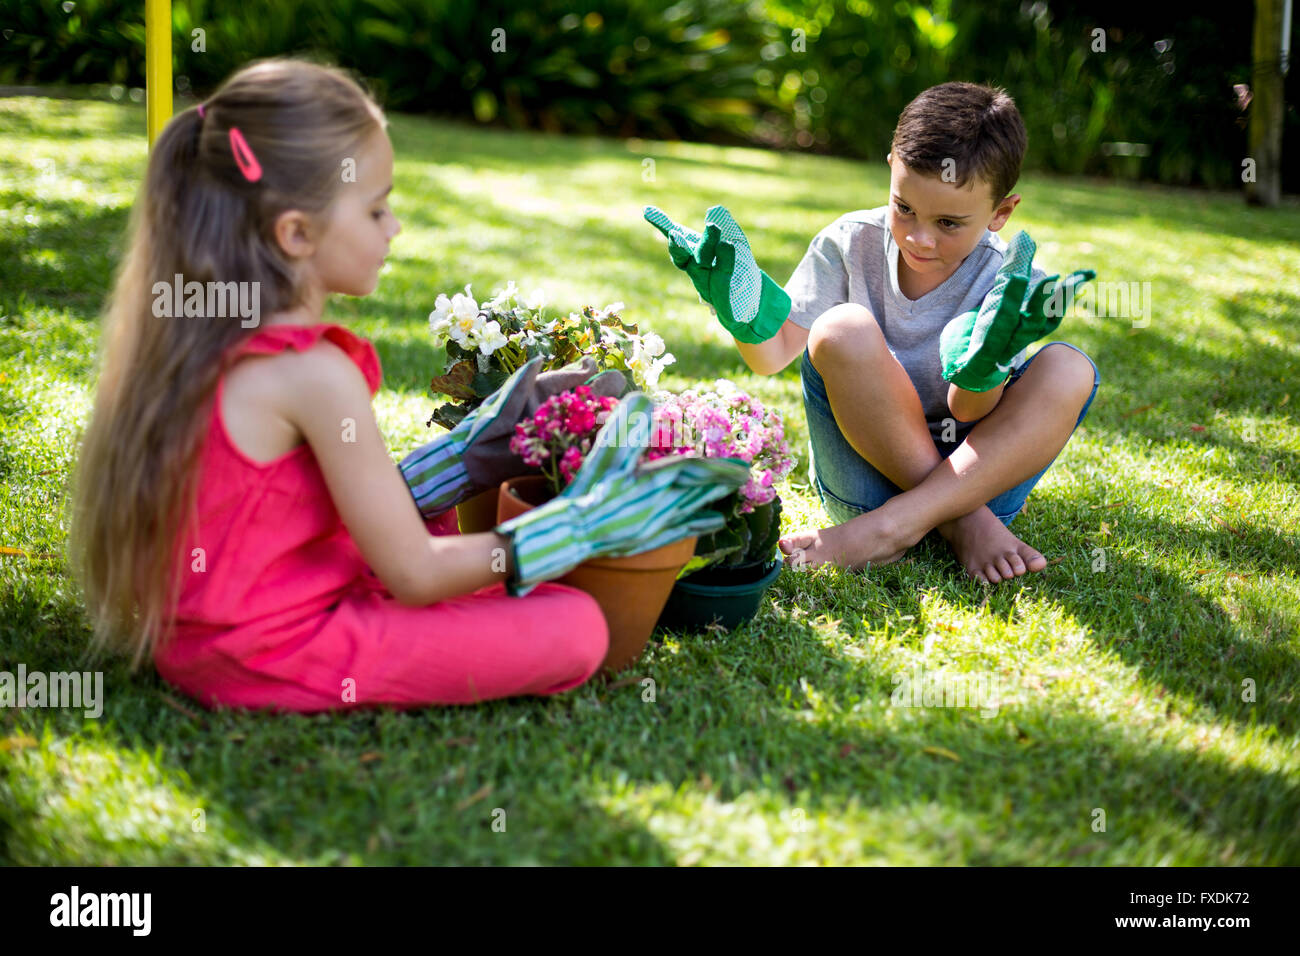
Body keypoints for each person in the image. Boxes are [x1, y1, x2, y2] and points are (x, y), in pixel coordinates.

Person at [69, 57, 743, 713]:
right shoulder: (312, 373)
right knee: (578, 628)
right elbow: (413, 574)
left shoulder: (211, 337)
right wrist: (581, 527)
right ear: (296, 232)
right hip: (273, 647)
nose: (394, 228)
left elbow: (298, 505)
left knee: (514, 592)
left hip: (231, 620)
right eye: (375, 210)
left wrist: (469, 455)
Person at [645, 82, 1100, 584]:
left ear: (1001, 213)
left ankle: (895, 527)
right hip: (869, 481)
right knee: (842, 327)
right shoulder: (849, 243)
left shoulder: (1008, 284)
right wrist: (739, 306)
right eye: (904, 208)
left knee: (1071, 366)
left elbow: (968, 411)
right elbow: (770, 357)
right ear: (890, 170)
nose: (919, 237)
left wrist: (983, 366)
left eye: (948, 222)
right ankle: (957, 521)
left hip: (980, 481)